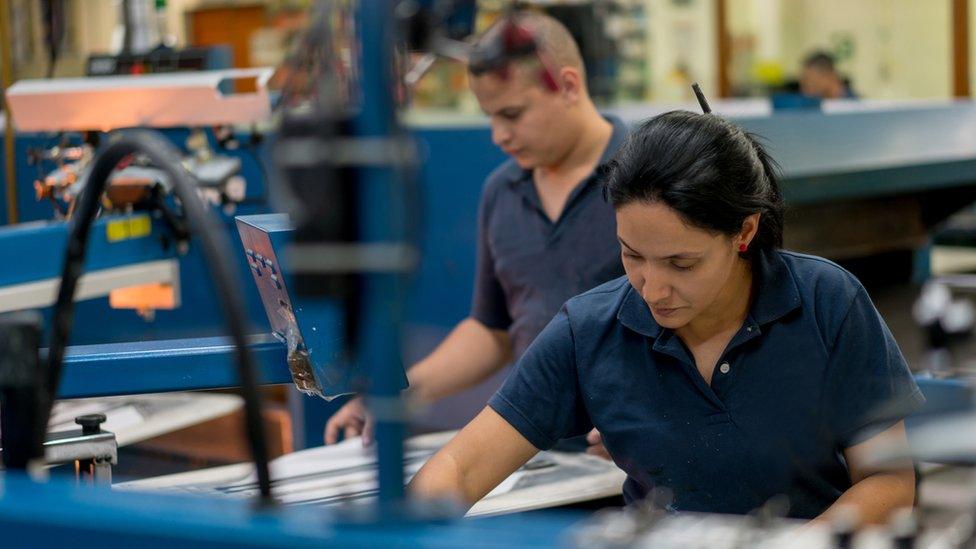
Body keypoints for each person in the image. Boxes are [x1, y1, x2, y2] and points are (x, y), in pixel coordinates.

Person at [408, 110, 923, 523]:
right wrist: (411, 526)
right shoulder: (589, 330)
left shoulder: (826, 303)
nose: (652, 289)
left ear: (744, 233)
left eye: (682, 263)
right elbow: (460, 465)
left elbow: (890, 482)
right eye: (631, 255)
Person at [324, 12, 627, 457]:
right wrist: (400, 394)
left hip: (632, 465)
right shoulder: (502, 192)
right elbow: (492, 328)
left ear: (567, 85)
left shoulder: (645, 181)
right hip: (537, 454)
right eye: (489, 117)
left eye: (512, 114)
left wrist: (646, 420)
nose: (499, 135)